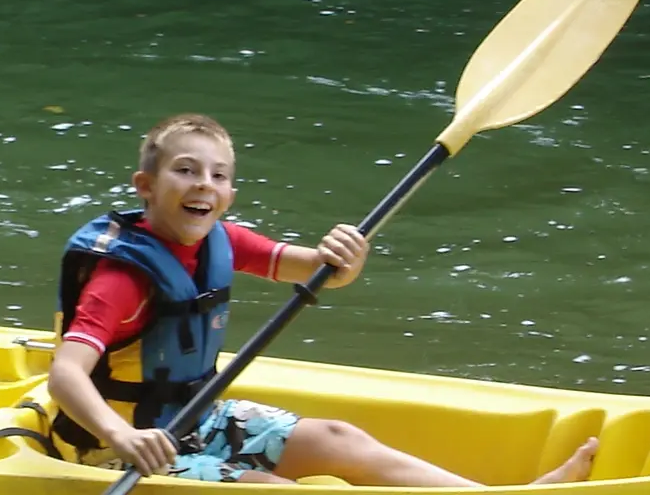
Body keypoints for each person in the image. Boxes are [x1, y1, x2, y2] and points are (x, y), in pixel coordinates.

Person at [46, 113, 598, 485]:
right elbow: (66, 374)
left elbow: (317, 271)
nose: (204, 185)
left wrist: (344, 259)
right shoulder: (124, 277)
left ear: (230, 194)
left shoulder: (223, 240)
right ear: (145, 185)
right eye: (185, 171)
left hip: (195, 419)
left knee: (338, 438)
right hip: (113, 448)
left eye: (218, 175)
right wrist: (122, 434)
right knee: (267, 488)